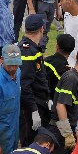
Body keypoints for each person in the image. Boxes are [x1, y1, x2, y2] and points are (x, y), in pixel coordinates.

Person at [18, 14, 51, 146]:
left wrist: (47, 97)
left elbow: (39, 77)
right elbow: (25, 85)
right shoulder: (27, 51)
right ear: (41, 29)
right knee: (30, 142)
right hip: (30, 105)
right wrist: (33, 110)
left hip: (39, 101)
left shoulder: (33, 48)